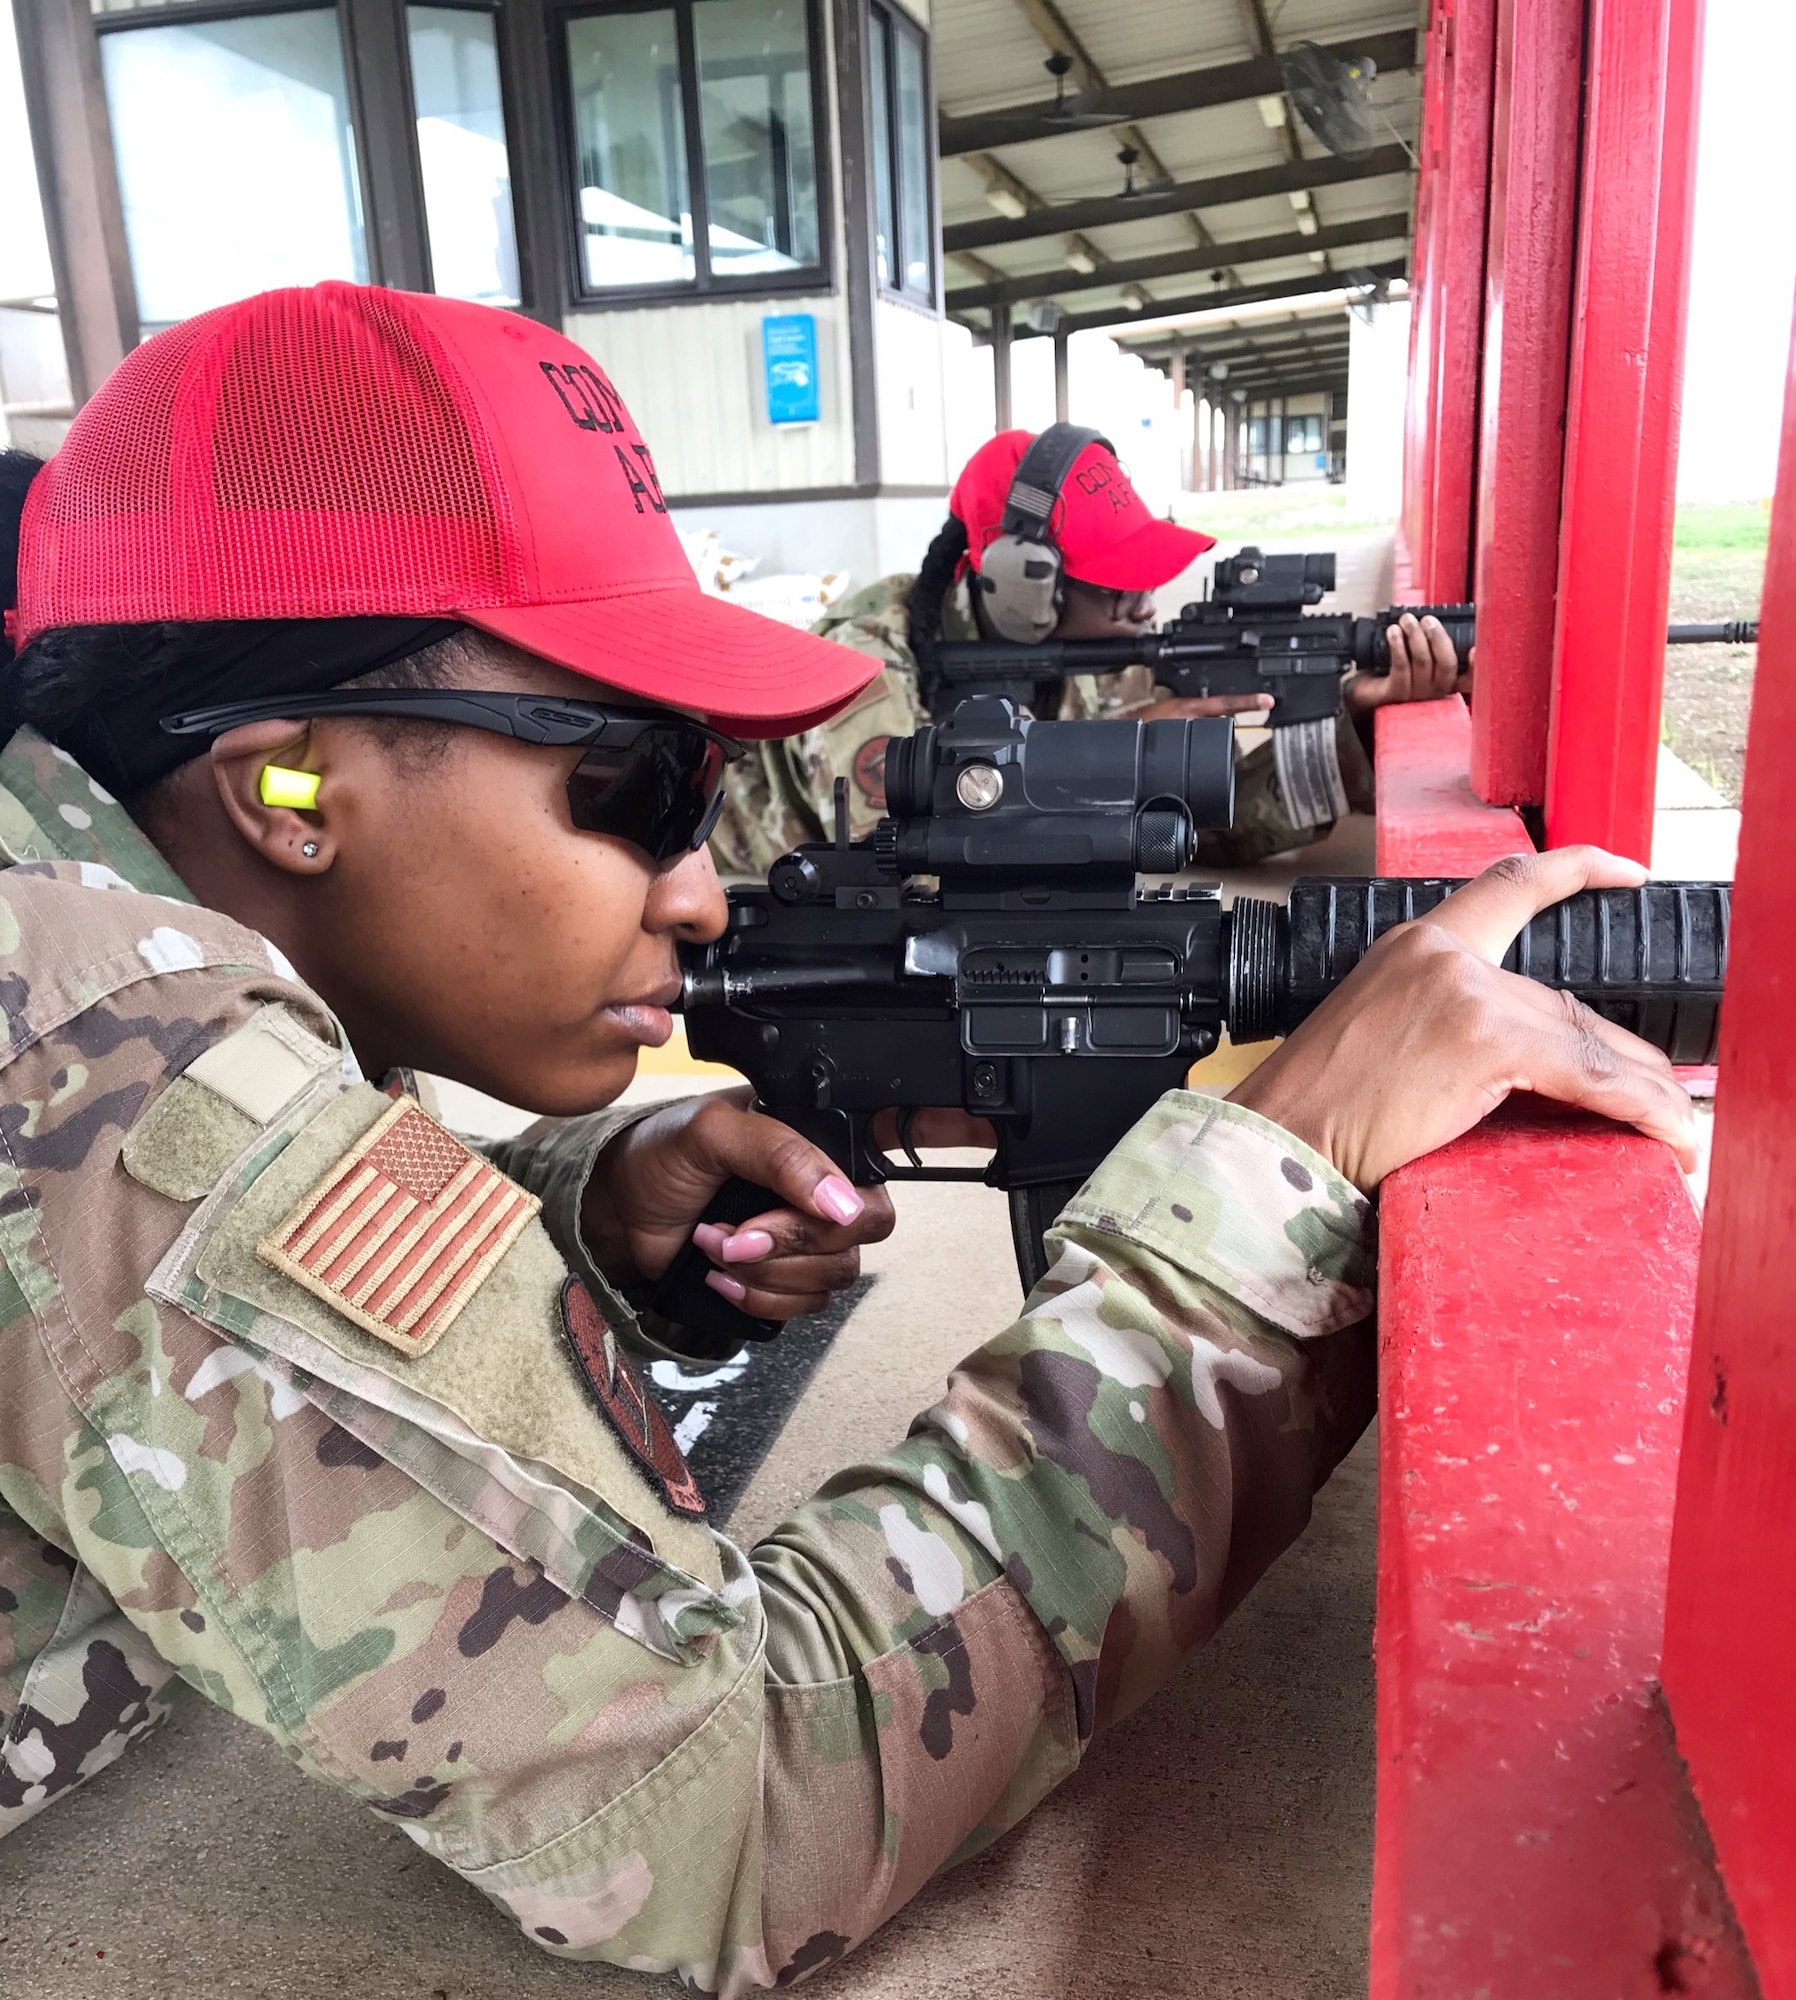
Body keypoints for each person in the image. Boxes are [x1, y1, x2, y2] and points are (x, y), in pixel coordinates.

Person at [0, 284, 1693, 1991]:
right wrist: (1277, 1185)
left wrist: (575, 1220)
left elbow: (180, 1301)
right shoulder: (105, 1051)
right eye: (644, 790)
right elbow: (723, 1803)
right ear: (285, 790)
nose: (702, 884)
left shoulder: (95, 954)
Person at [709, 426, 1468, 876]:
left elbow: (1214, 831)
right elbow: (910, 869)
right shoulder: (871, 664)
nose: (1141, 610)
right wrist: (1111, 760)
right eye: (1114, 590)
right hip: (727, 871)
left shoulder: (1090, 656)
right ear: (1022, 585)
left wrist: (1350, 725)